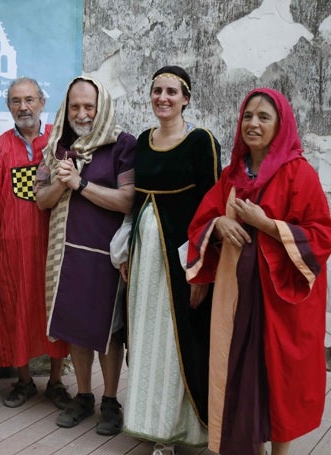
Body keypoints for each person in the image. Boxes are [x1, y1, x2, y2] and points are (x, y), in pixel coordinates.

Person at [186, 88, 331, 455]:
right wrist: (220, 222)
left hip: (279, 299)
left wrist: (268, 225)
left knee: (277, 376)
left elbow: (322, 233)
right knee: (239, 370)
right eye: (247, 116)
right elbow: (202, 221)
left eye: (263, 117)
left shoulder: (298, 174)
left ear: (280, 125)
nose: (253, 123)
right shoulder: (232, 176)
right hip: (236, 295)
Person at [110, 66, 221, 454]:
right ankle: (152, 427)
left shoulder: (202, 141)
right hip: (145, 264)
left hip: (181, 265)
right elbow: (138, 204)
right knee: (147, 340)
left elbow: (213, 211)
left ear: (186, 98)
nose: (163, 97)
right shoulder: (143, 140)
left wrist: (202, 272)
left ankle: (184, 429)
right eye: (157, 90)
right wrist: (127, 251)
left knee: (181, 344)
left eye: (172, 92)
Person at [35, 76, 136, 435]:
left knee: (108, 332)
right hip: (67, 254)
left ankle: (110, 401)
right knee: (77, 329)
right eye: (75, 106)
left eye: (88, 106)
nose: (81, 113)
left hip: (108, 256)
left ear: (102, 106)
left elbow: (128, 199)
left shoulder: (122, 144)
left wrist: (81, 184)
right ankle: (83, 395)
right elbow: (40, 199)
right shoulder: (58, 145)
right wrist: (61, 183)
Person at [0, 77, 71, 409]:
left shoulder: (58, 143)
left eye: (30, 99)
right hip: (13, 246)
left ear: (42, 103)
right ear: (9, 107)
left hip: (53, 244)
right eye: (16, 101)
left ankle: (57, 381)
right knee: (14, 308)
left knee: (53, 309)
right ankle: (24, 380)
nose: (24, 107)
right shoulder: (0, 147)